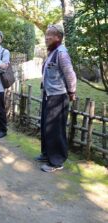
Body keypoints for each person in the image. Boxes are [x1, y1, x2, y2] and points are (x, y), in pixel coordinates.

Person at [35, 24, 76, 173]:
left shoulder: (61, 53)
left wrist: (71, 91)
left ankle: (57, 161)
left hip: (58, 96)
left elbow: (70, 73)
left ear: (58, 37)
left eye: (50, 35)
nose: (46, 38)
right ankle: (47, 154)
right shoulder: (53, 51)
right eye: (46, 35)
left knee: (55, 129)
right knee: (47, 126)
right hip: (49, 94)